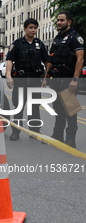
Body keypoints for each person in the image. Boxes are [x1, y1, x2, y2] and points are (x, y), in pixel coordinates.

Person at [43, 11, 84, 148]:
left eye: (62, 20)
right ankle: (58, 135)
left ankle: (71, 139)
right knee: (58, 110)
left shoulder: (75, 38)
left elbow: (80, 59)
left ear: (69, 22)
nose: (59, 22)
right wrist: (46, 77)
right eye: (58, 20)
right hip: (56, 80)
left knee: (70, 111)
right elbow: (51, 59)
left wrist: (75, 79)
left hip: (68, 81)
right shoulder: (57, 38)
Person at [6, 18, 49, 141]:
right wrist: (9, 77)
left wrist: (46, 78)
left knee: (34, 107)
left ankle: (34, 131)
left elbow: (46, 61)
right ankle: (16, 132)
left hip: (35, 80)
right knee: (18, 107)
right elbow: (10, 60)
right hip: (21, 79)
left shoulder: (39, 44)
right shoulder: (18, 43)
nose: (33, 30)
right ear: (25, 29)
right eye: (31, 27)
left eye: (35, 28)